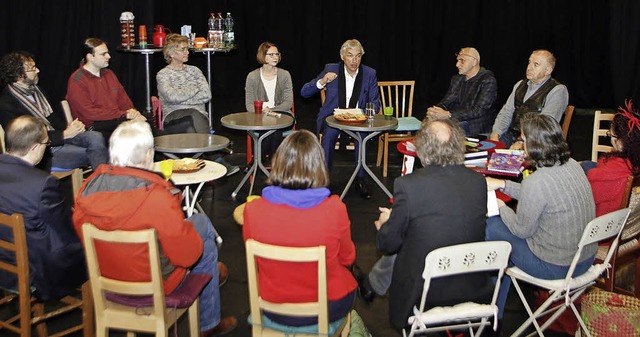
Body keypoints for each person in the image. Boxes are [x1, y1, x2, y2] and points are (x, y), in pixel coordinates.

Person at [72, 120, 237, 337]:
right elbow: (188, 256)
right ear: (149, 154)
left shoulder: (87, 188)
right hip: (158, 284)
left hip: (107, 278)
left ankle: (212, 271)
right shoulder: (156, 198)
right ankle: (208, 322)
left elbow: (84, 238)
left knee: (196, 234)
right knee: (201, 228)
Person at [366, 118, 491, 329]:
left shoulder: (409, 185)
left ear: (422, 148)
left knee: (405, 238)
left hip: (423, 294)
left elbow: (386, 245)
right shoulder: (478, 182)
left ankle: (371, 285)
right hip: (472, 288)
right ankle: (371, 283)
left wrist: (388, 223)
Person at [485, 113, 596, 319]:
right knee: (505, 248)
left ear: (533, 146)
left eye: (524, 140)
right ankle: (495, 306)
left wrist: (500, 206)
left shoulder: (537, 181)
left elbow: (521, 230)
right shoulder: (572, 165)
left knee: (491, 226)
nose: (521, 144)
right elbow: (542, 196)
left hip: (554, 267)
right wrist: (503, 184)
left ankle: (489, 309)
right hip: (584, 259)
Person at [243, 130, 357, 326]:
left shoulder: (252, 211)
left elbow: (256, 263)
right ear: (319, 167)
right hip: (328, 304)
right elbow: (348, 258)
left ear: (278, 164)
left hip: (272, 305)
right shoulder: (335, 209)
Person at [0, 115, 86, 301]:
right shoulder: (42, 184)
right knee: (92, 246)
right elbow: (66, 231)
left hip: (5, 264)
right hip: (38, 272)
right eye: (47, 144)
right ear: (34, 147)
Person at [0, 51, 108, 170]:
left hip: (58, 138)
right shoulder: (6, 104)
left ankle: (101, 180)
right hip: (44, 151)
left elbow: (53, 120)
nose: (38, 71)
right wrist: (64, 134)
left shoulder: (37, 91)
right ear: (19, 76)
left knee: (95, 137)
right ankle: (103, 183)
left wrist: (72, 127)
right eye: (33, 68)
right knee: (99, 152)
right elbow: (25, 139)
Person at [301, 39, 380, 199]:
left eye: (358, 56)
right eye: (350, 56)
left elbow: (375, 103)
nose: (354, 60)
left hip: (358, 119)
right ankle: (324, 180)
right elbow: (304, 92)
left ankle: (360, 179)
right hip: (333, 119)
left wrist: (362, 113)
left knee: (362, 137)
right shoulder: (331, 69)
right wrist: (322, 82)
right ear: (342, 56)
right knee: (328, 136)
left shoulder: (369, 73)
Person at [66, 37, 146, 141]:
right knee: (132, 133)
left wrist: (133, 112)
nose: (108, 56)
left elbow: (124, 101)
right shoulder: (77, 80)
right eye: (103, 54)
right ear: (90, 57)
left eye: (107, 53)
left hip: (116, 119)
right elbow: (89, 113)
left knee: (146, 125)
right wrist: (123, 115)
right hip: (94, 126)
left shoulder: (109, 74)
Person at [490, 49, 568, 148]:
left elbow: (545, 126)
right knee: (484, 152)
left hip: (537, 142)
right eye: (529, 62)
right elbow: (506, 112)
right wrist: (496, 134)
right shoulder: (519, 85)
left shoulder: (558, 90)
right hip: (511, 136)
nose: (529, 67)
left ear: (548, 70)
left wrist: (523, 142)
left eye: (536, 64)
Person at [584, 100, 640, 216]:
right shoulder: (633, 162)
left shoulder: (610, 173)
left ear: (620, 143)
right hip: (630, 221)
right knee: (587, 164)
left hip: (603, 224)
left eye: (610, 135)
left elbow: (586, 197)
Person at [426, 47, 498, 135]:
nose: (457, 65)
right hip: (456, 120)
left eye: (462, 61)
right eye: (457, 61)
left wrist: (448, 115)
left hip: (476, 126)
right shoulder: (457, 79)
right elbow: (447, 101)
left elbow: (478, 111)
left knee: (446, 130)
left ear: (474, 62)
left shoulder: (488, 80)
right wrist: (436, 111)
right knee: (429, 123)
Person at [245, 41, 294, 159]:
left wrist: (271, 110)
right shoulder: (252, 76)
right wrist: (262, 112)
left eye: (277, 54)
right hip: (259, 116)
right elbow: (249, 105)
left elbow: (288, 103)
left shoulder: (285, 75)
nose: (275, 57)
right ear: (263, 56)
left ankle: (258, 161)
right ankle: (273, 163)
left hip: (281, 115)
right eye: (271, 55)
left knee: (274, 129)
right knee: (272, 130)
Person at [156, 33, 211, 134]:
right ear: (171, 53)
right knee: (192, 117)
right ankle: (207, 147)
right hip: (173, 117)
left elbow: (206, 95)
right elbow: (172, 97)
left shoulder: (195, 71)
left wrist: (181, 97)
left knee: (192, 123)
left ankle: (201, 148)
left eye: (187, 49)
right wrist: (195, 89)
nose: (187, 52)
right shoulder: (163, 74)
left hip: (199, 116)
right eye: (183, 49)